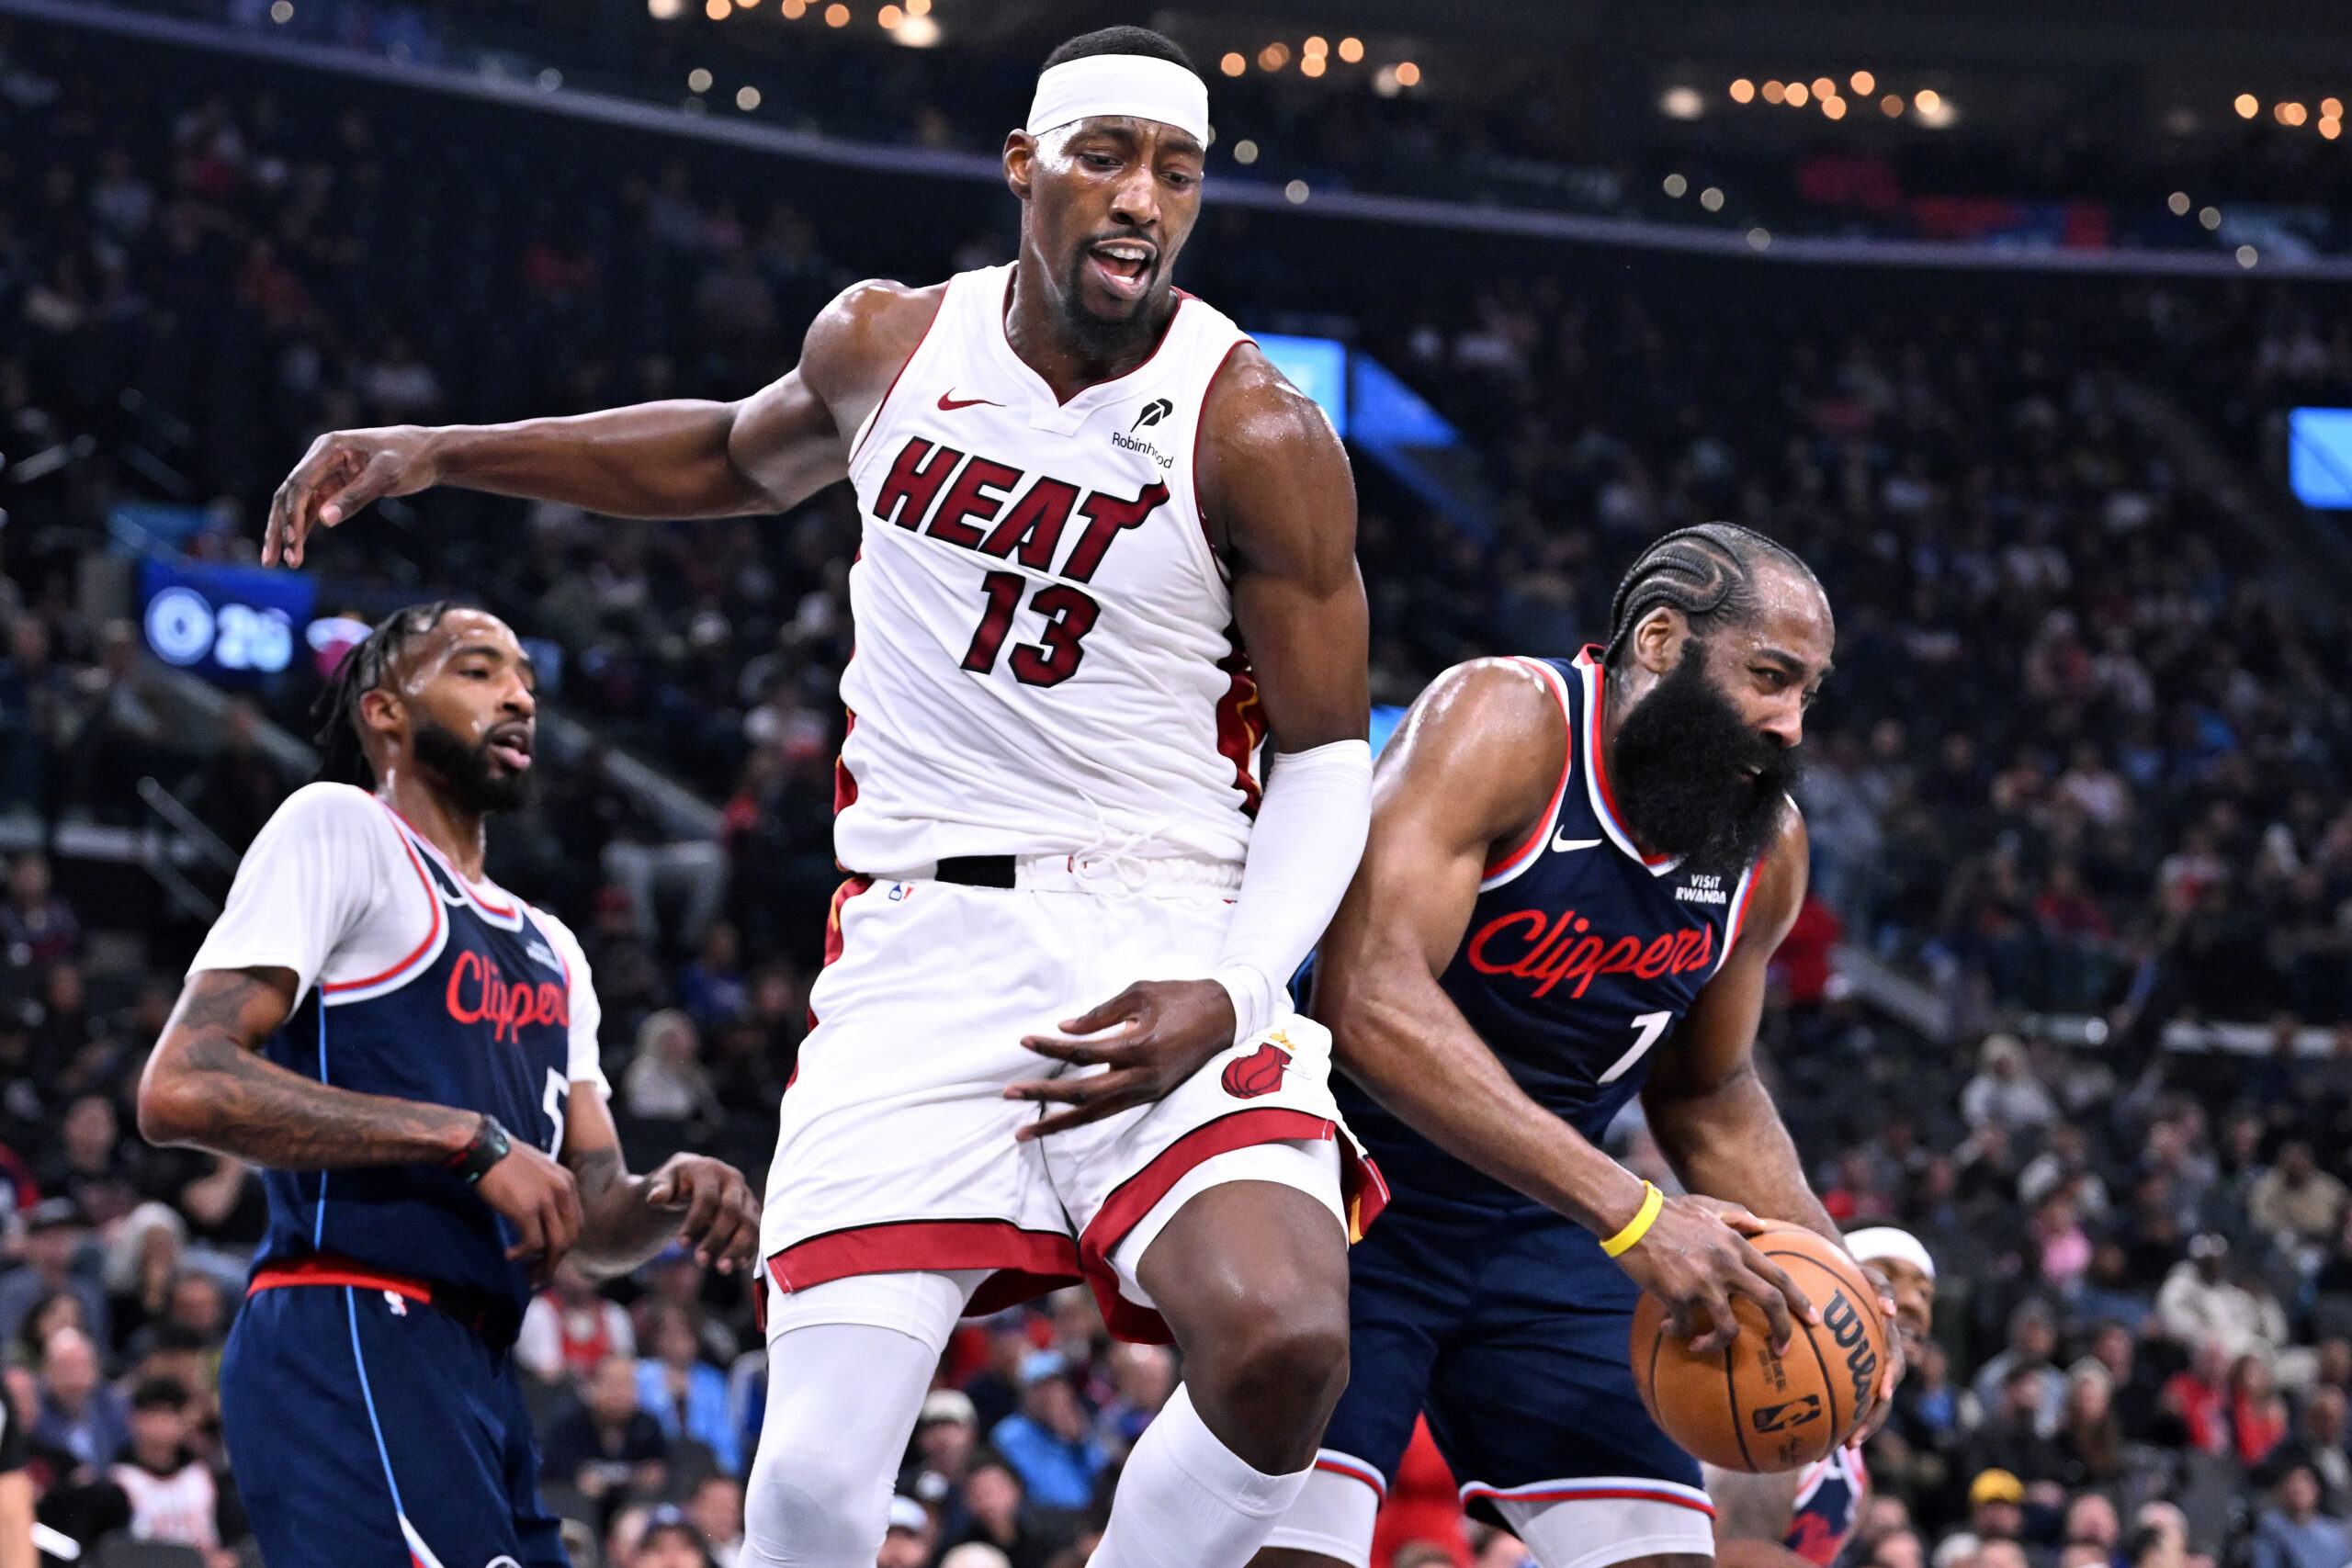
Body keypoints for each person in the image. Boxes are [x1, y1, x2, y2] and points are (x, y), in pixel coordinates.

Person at [264, 27, 1377, 1568]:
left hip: (1167, 919)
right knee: (808, 1500)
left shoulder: (1256, 426)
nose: (1141, 199)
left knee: (1282, 1343)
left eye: (1175, 173)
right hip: (920, 943)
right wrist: (437, 452)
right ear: (1024, 167)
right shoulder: (886, 345)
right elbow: (722, 454)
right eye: (1105, 157)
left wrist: (1240, 981)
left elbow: (1329, 756)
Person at [1260, 525, 1895, 1568]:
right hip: (1344, 1191)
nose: (1787, 724)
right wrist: (1629, 1209)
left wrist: (1835, 1281)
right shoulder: (1506, 721)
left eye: (1806, 695)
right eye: (1768, 677)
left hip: (1546, 1225)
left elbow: (1708, 1091)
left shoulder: (1763, 844)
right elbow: (1365, 997)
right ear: (1658, 640)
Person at [134, 604, 761, 1567]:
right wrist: (466, 1141)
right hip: (347, 1317)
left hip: (478, 1363)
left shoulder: (553, 946)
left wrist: (667, 1196)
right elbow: (181, 1084)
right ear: (384, 712)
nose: (517, 696)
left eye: (525, 682)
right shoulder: (340, 829)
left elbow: (588, 1224)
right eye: (476, 672)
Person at [1709, 1228, 1939, 1568]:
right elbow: (1730, 1554)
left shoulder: (1853, 1460)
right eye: (1887, 1279)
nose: (1913, 1303)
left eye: (1924, 1293)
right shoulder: (1777, 1411)